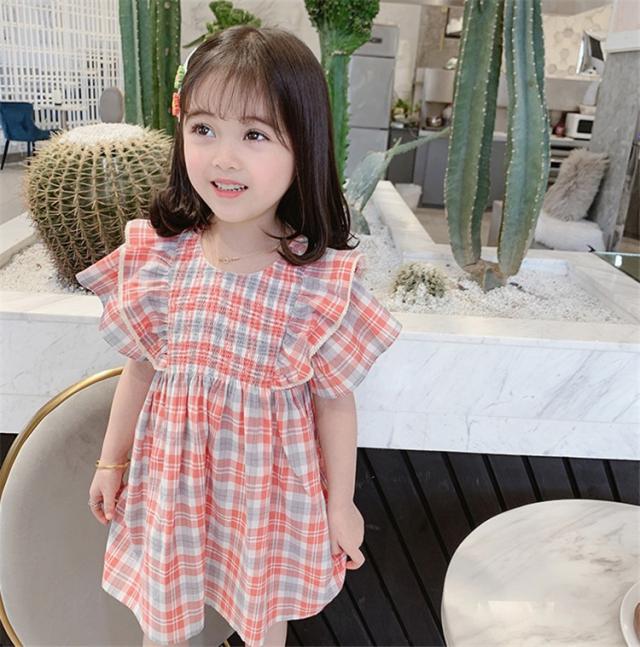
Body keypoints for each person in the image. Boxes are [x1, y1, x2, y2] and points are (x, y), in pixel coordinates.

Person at [76, 25, 402, 647]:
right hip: (170, 485)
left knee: (263, 618)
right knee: (162, 619)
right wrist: (112, 460)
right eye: (203, 129)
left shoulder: (318, 283)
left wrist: (340, 504)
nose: (223, 158)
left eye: (254, 134)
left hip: (265, 500)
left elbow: (334, 401)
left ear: (304, 145)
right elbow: (140, 368)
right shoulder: (161, 258)